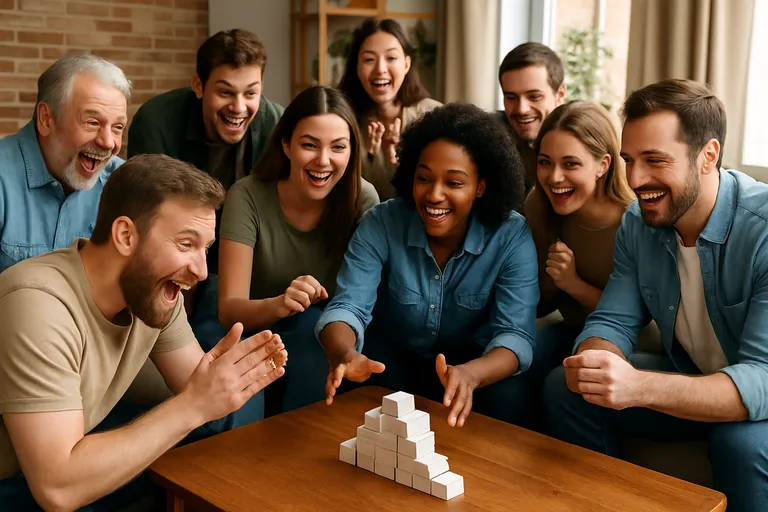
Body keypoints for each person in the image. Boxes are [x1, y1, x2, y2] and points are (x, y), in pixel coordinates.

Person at [0, 154, 287, 512]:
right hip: (18, 485)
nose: (201, 271)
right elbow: (56, 489)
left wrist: (226, 383)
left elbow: (200, 390)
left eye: (206, 249)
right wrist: (195, 404)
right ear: (125, 236)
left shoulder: (151, 292)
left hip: (66, 459)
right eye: (185, 244)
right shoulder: (39, 304)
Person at [543, 79, 768, 512]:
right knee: (566, 387)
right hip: (696, 374)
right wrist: (597, 359)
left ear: (708, 156)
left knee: (738, 442)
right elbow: (612, 320)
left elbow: (760, 379)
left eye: (655, 160)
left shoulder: (761, 231)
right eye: (629, 160)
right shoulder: (638, 222)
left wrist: (637, 386)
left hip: (758, 401)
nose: (635, 179)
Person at [317, 103, 539, 428]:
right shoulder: (382, 222)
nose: (434, 195)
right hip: (394, 359)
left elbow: (515, 335)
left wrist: (471, 374)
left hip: (472, 363)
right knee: (360, 378)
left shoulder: (509, 236)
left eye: (454, 183)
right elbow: (349, 305)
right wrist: (345, 354)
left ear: (481, 186)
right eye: (424, 178)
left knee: (512, 395)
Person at [218, 85, 379, 416]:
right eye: (309, 145)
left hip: (327, 331)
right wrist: (280, 304)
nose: (323, 160)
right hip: (250, 322)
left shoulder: (363, 200)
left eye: (338, 147)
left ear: (352, 152)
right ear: (286, 145)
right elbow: (229, 309)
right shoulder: (246, 196)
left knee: (311, 334)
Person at [127, 29, 285, 349]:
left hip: (247, 262)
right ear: (199, 86)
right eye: (226, 92)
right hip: (175, 255)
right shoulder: (156, 122)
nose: (239, 107)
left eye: (251, 93)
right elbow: (150, 220)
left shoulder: (276, 125)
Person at [525, 101, 634, 380]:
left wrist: (572, 283)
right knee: (512, 362)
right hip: (570, 329)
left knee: (559, 382)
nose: (555, 177)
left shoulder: (633, 222)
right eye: (545, 162)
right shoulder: (539, 203)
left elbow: (633, 319)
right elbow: (540, 305)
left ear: (603, 165)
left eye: (571, 163)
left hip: (628, 343)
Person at [0, 53, 128, 273]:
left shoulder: (124, 184)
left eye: (117, 127)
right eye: (93, 122)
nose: (108, 143)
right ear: (46, 119)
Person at [338, 18, 441, 200]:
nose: (380, 69)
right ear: (356, 67)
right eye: (369, 59)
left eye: (391, 58)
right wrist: (367, 161)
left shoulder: (433, 117)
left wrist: (403, 166)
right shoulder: (342, 119)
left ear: (407, 64)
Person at [498, 42, 566, 192]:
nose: (522, 109)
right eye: (511, 97)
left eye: (534, 97)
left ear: (560, 94)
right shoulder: (488, 139)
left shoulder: (583, 141)